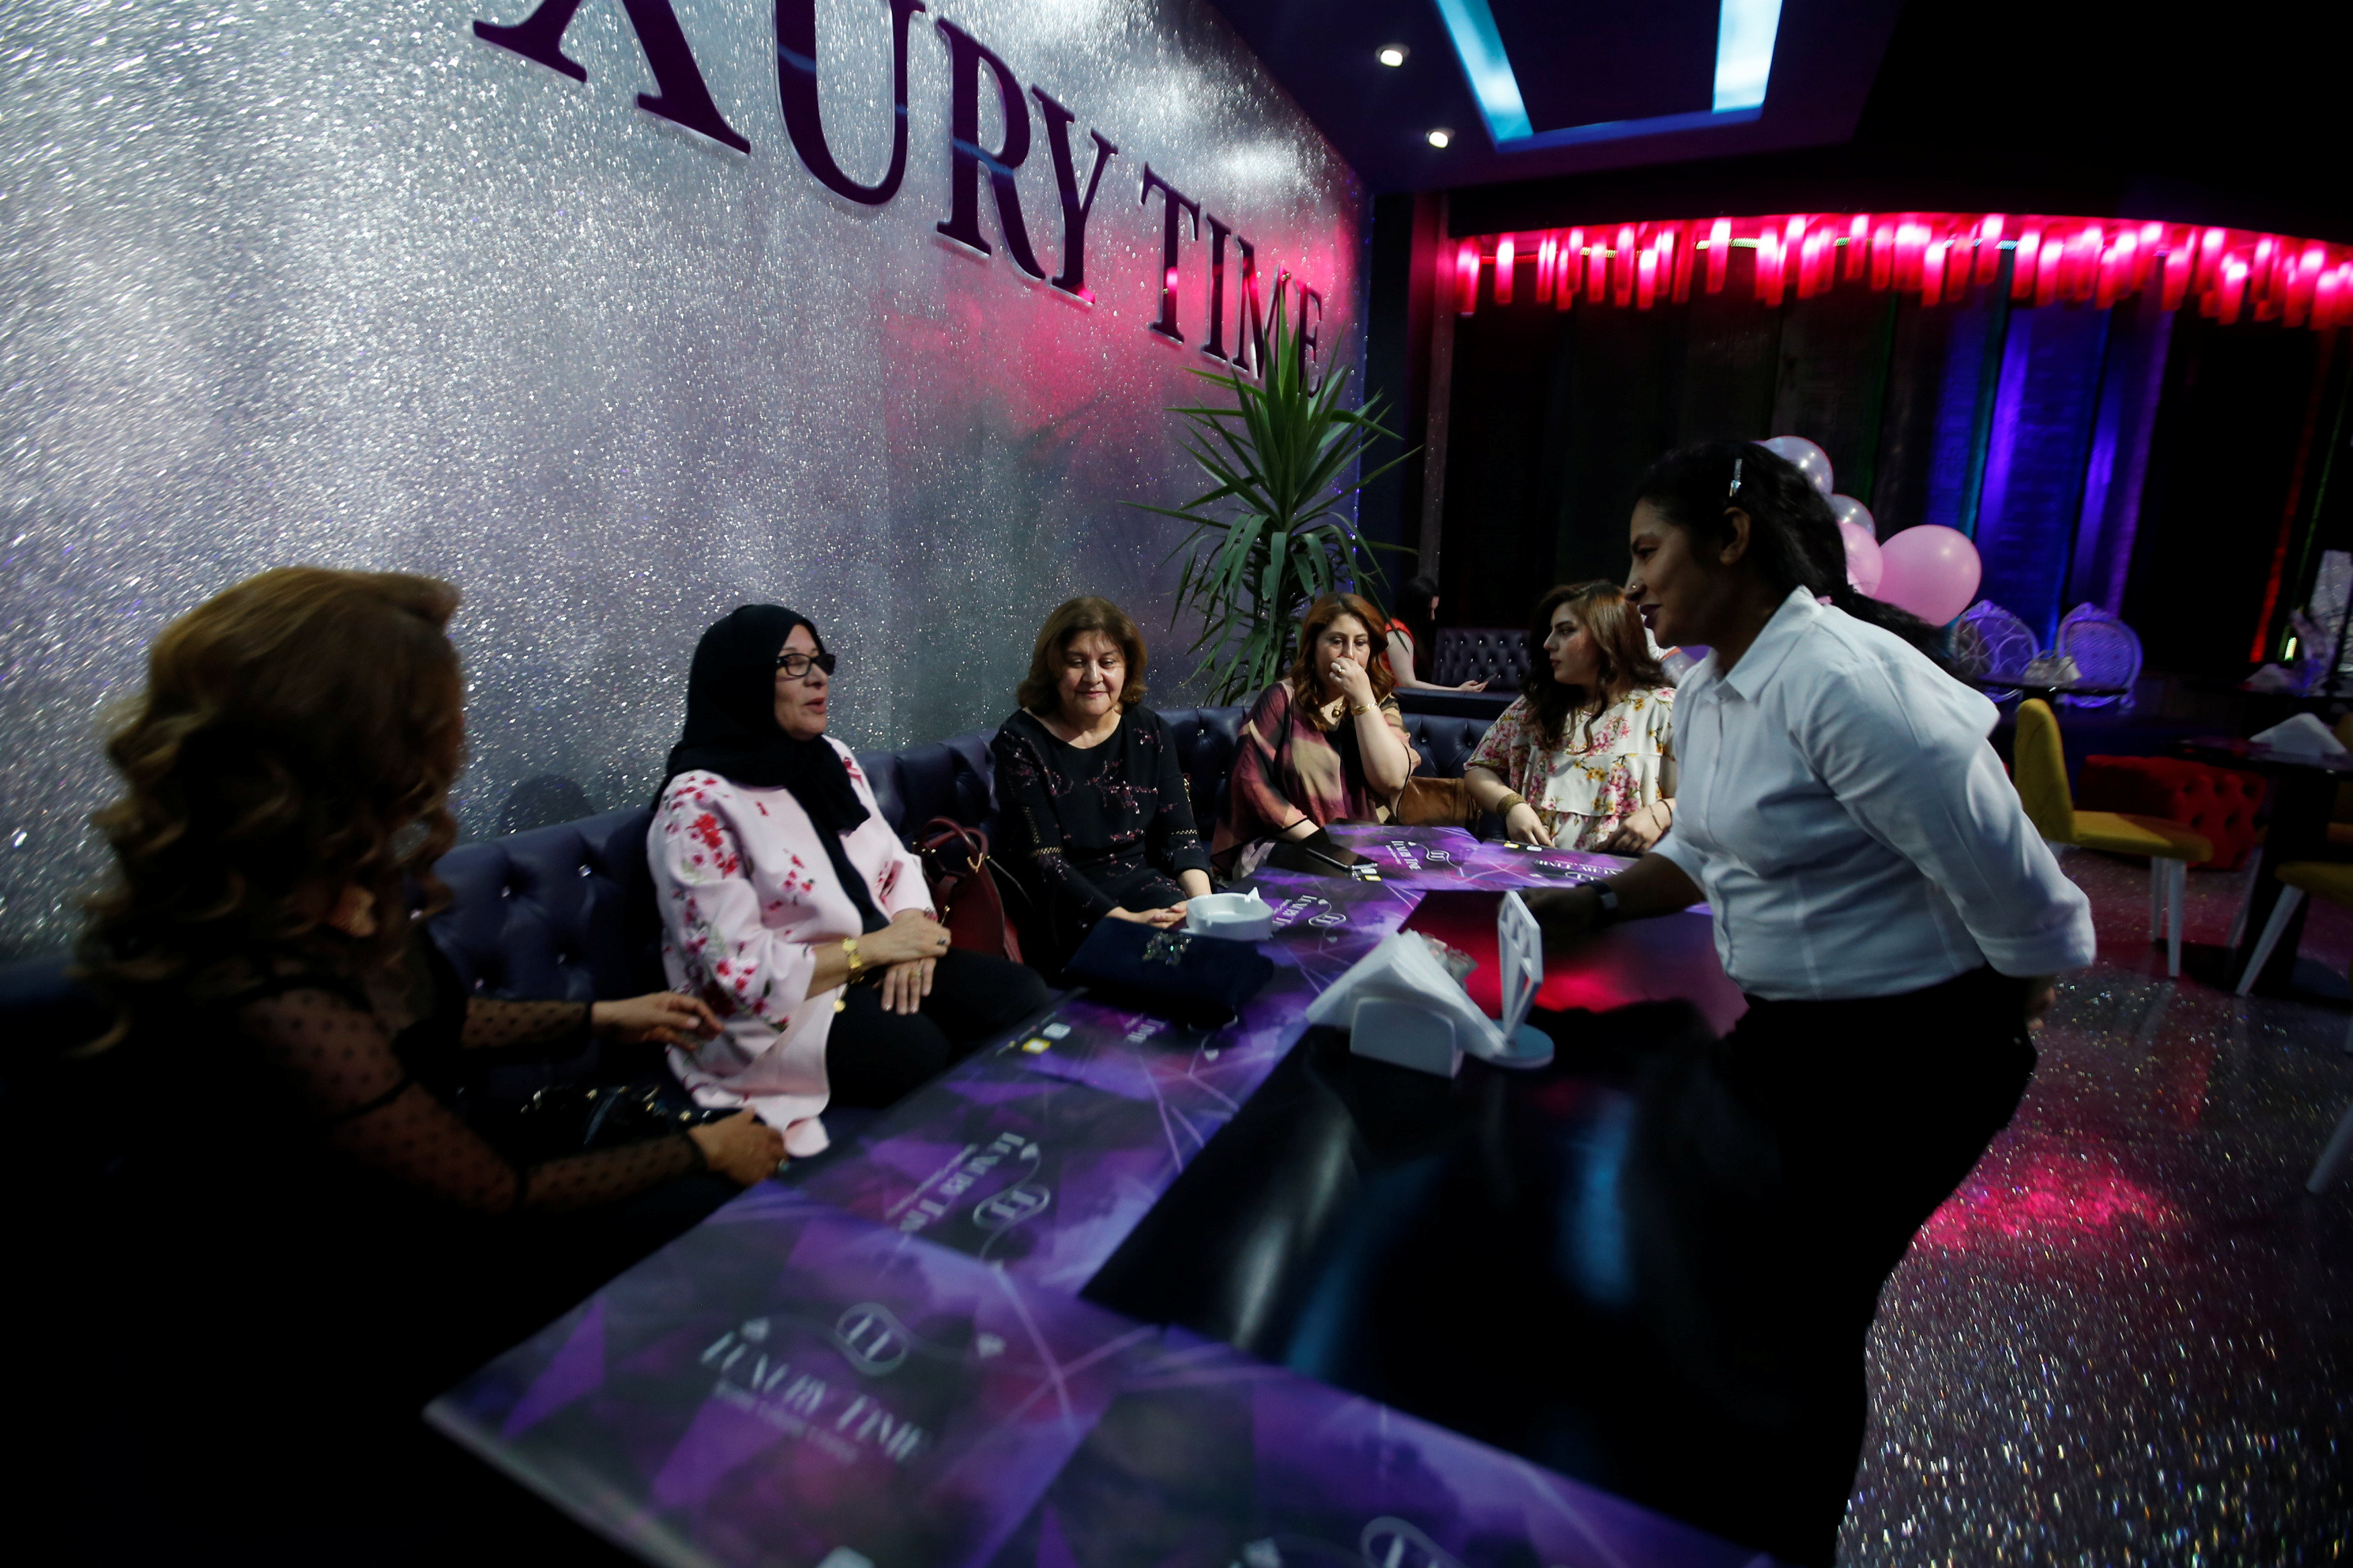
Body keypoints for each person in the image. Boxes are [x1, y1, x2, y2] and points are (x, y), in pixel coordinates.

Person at [64, 567, 787, 1543]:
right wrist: (706, 1150)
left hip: (415, 1197)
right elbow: (495, 1199)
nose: (460, 738)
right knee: (705, 1203)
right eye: (440, 714)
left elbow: (432, 1026)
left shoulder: (333, 875)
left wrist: (602, 1016)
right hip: (324, 1309)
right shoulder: (258, 986)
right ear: (357, 742)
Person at [1529, 443, 2095, 1565]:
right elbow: (1701, 844)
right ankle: (1701, 1491)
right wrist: (1589, 909)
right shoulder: (1709, 684)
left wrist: (1997, 1025)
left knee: (1802, 1312)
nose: (1630, 582)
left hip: (1918, 1049)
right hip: (1796, 1030)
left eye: (1649, 550)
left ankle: (1783, 1536)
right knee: (1705, 1231)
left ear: (1732, 538)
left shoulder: (1842, 677)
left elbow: (2024, 890)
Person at [650, 606, 1050, 1151]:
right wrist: (875, 949)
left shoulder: (829, 758)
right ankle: (969, 1176)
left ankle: (1039, 1149)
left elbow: (893, 860)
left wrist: (909, 928)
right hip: (785, 1009)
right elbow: (734, 973)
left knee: (1023, 997)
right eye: (792, 664)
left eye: (819, 661)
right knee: (919, 1052)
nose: (819, 678)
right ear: (741, 678)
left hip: (881, 955)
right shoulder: (697, 804)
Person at [990, 597, 1215, 971]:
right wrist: (1123, 921)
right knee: (1172, 964)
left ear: (1126, 667)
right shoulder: (1021, 741)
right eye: (1077, 663)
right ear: (1053, 668)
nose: (1094, 677)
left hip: (1149, 889)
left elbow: (1181, 838)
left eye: (1107, 662)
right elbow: (1046, 864)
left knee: (1218, 949)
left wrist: (1204, 909)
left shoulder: (1149, 729)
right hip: (1069, 907)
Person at [1463, 581, 1677, 852]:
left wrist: (1662, 813)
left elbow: (1710, 798)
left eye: (1565, 631)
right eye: (1550, 632)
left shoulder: (1663, 708)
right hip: (1536, 877)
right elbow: (1478, 768)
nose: (1549, 644)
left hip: (1625, 882)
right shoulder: (1536, 705)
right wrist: (1511, 806)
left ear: (1609, 635)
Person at [1215, 592, 1422, 869]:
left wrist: (1362, 701)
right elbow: (1250, 783)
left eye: (1360, 643)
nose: (1349, 654)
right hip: (1290, 842)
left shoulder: (1379, 703)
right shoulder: (1282, 699)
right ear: (1314, 645)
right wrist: (1322, 841)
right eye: (1336, 641)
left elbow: (1393, 779)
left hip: (1365, 846)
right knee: (1341, 878)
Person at [1382, 573, 1488, 692]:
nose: (1432, 617)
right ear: (1414, 609)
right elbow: (1407, 683)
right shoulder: (1399, 635)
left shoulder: (1400, 629)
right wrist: (1458, 691)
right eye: (1429, 611)